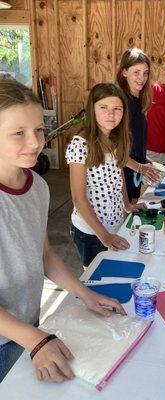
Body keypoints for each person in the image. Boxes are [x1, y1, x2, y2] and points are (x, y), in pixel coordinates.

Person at [0, 78, 125, 383]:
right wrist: (35, 339)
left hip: (27, 324)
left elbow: (42, 254)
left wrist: (85, 294)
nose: (35, 142)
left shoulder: (38, 188)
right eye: (19, 133)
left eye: (39, 130)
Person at [66, 83, 146, 268]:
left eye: (117, 109)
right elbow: (78, 198)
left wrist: (127, 205)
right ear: (92, 110)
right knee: (97, 282)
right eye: (103, 107)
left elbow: (119, 178)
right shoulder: (80, 145)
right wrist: (105, 236)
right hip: (91, 232)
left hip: (117, 225)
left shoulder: (116, 139)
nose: (111, 114)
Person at [116, 48, 159, 202]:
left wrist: (145, 161)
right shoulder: (121, 103)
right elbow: (114, 150)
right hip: (121, 177)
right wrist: (141, 168)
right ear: (124, 72)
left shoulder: (138, 101)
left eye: (145, 73)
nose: (142, 78)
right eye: (136, 72)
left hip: (133, 172)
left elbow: (134, 142)